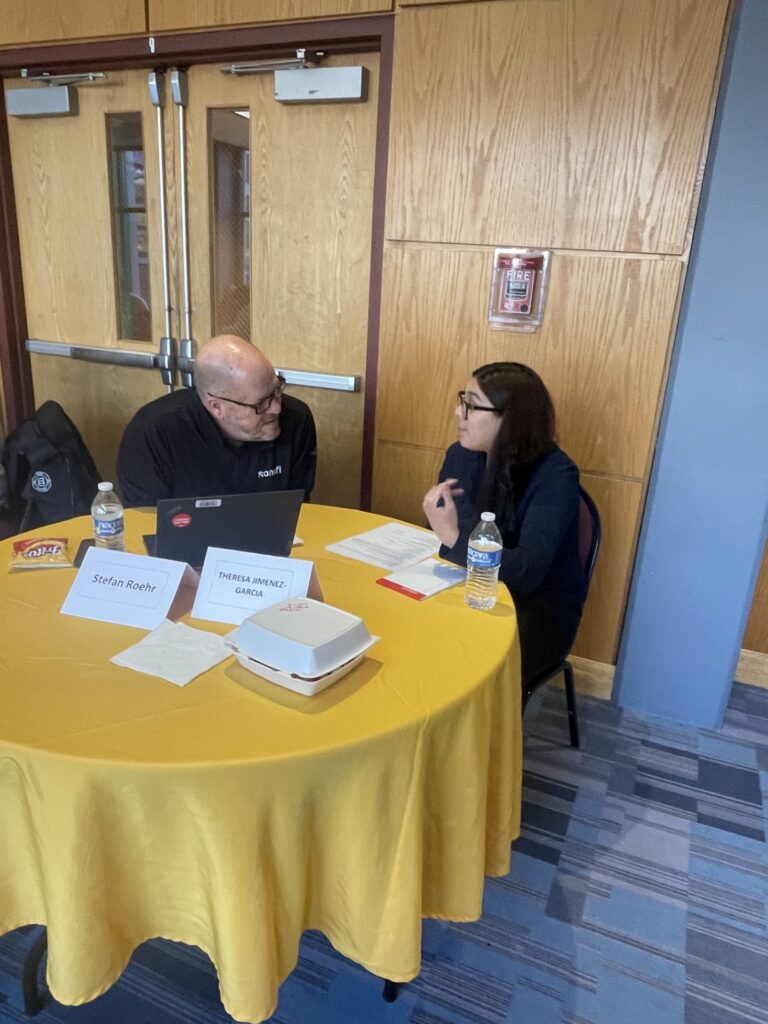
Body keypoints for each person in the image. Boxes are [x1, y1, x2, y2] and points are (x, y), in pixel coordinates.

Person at [422, 362, 587, 687]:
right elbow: (448, 539)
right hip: (469, 585)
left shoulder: (556, 476)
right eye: (462, 400)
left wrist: (453, 537)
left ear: (511, 418)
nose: (458, 413)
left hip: (537, 609)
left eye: (471, 405)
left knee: (452, 653)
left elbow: (528, 571)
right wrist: (447, 532)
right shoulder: (461, 455)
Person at [117, 335, 317, 506]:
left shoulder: (296, 420)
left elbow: (298, 511)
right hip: (185, 540)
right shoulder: (152, 435)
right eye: (261, 403)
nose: (277, 408)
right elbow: (146, 524)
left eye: (276, 390)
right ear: (217, 407)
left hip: (271, 537)